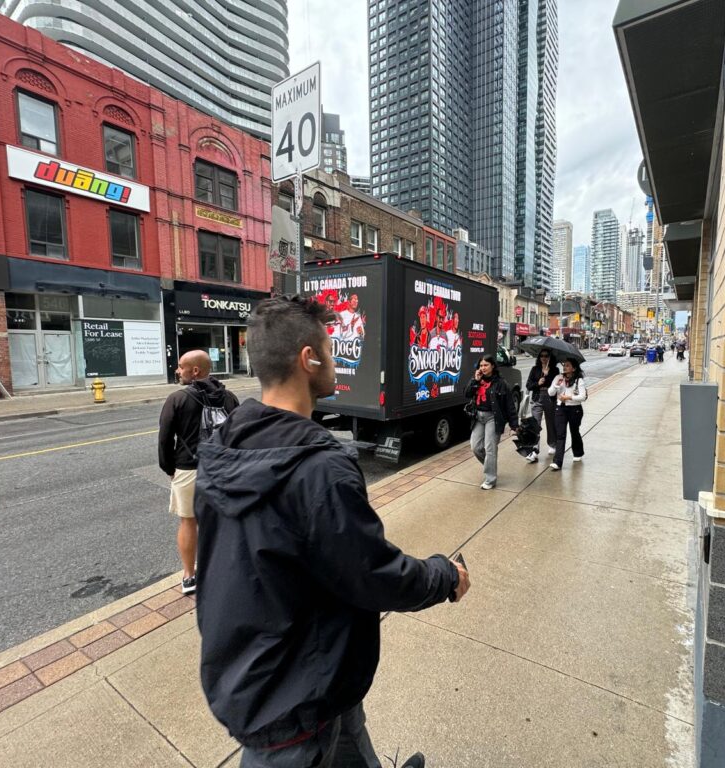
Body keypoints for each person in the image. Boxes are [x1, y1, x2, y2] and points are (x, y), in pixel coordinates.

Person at [195, 297, 468, 768]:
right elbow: (372, 573)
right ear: (308, 359)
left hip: (278, 670)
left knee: (350, 734)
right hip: (292, 702)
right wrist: (445, 576)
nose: (337, 359)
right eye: (331, 347)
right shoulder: (320, 467)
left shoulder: (223, 447)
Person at [157, 350, 239, 595]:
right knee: (222, 521)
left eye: (181, 367)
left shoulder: (177, 399)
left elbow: (164, 439)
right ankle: (222, 570)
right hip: (223, 468)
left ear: (195, 371)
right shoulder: (230, 397)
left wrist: (169, 468)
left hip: (188, 467)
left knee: (188, 522)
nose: (177, 370)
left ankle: (189, 576)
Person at [465, 353, 519, 489]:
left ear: (493, 366)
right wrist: (474, 380)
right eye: (481, 365)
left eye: (486, 365)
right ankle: (490, 467)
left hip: (493, 418)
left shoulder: (501, 383)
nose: (483, 368)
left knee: (490, 448)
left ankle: (490, 479)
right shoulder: (477, 379)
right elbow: (466, 394)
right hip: (478, 417)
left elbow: (510, 405)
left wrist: (514, 425)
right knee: (475, 447)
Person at [547, 359, 588, 471]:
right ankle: (557, 462)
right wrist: (556, 385)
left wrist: (569, 397)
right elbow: (550, 392)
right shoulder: (558, 378)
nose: (565, 367)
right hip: (561, 408)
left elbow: (582, 397)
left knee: (574, 432)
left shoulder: (578, 380)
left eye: (568, 366)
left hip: (575, 409)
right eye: (564, 365)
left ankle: (578, 452)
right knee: (560, 435)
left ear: (573, 368)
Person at [524, 350, 559, 462]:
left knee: (550, 422)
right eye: (542, 356)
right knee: (535, 425)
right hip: (537, 398)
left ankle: (552, 444)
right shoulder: (535, 369)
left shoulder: (555, 370)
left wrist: (547, 377)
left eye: (546, 356)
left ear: (550, 358)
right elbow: (529, 385)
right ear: (539, 358)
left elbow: (557, 385)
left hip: (550, 399)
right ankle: (534, 450)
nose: (544, 358)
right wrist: (537, 383)